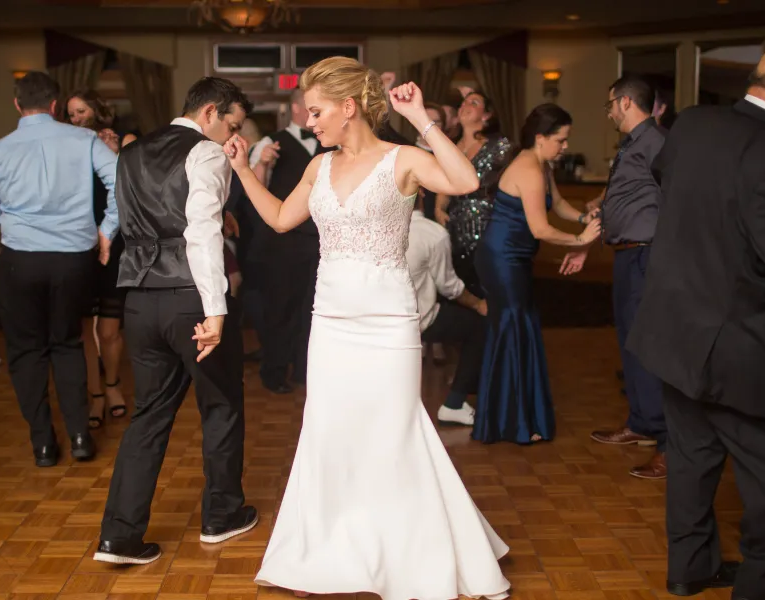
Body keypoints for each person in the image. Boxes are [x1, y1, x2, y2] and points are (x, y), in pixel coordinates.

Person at [224, 56, 510, 600]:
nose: (311, 122)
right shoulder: (318, 167)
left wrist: (421, 116)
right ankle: (338, 545)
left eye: (317, 111)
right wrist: (241, 170)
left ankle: (409, 554)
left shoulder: (403, 159)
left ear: (348, 106)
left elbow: (466, 179)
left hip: (388, 325)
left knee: (394, 432)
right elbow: (283, 219)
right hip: (330, 323)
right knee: (331, 433)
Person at [627, 45, 765, 600]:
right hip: (750, 351)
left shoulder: (694, 123)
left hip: (678, 336)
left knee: (693, 459)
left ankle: (691, 568)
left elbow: (675, 183)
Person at [93, 77, 257, 566]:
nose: (231, 137)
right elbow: (201, 234)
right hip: (192, 298)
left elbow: (131, 222)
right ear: (209, 112)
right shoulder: (205, 154)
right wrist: (216, 309)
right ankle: (221, 516)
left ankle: (118, 537)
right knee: (222, 404)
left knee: (149, 414)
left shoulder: (129, 154)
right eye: (230, 124)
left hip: (140, 301)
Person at [0, 72, 116, 467]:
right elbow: (121, 181)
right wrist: (106, 231)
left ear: (17, 105)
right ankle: (79, 438)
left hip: (21, 259)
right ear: (55, 106)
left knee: (26, 351)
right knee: (67, 343)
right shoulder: (84, 140)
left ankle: (42, 443)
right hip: (73, 259)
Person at [472, 104, 601, 445]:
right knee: (513, 327)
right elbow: (541, 228)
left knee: (519, 326)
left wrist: (583, 220)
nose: (565, 147)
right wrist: (579, 240)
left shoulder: (542, 165)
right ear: (540, 138)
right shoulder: (528, 167)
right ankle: (511, 422)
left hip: (515, 257)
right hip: (501, 257)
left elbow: (557, 205)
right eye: (561, 140)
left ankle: (514, 417)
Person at [579, 75, 668, 479]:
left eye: (611, 104)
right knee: (631, 344)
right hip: (627, 255)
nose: (610, 111)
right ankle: (642, 423)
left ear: (627, 102)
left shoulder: (658, 142)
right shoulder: (634, 143)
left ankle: (666, 441)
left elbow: (676, 195)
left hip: (646, 257)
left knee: (651, 348)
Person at [247, 88, 334, 394]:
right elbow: (254, 191)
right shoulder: (272, 142)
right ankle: (274, 371)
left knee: (314, 309)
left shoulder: (331, 144)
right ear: (296, 109)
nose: (316, 114)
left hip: (323, 241)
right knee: (281, 309)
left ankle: (306, 371)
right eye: (312, 108)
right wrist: (264, 163)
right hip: (283, 243)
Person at [65, 89, 132, 428]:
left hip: (112, 243)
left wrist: (116, 153)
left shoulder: (112, 142)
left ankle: (113, 385)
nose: (76, 118)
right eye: (71, 114)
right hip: (76, 245)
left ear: (96, 110)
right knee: (83, 330)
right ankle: (95, 394)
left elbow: (128, 189)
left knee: (108, 330)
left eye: (81, 111)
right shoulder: (66, 148)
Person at [405, 191, 488, 426]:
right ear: (421, 193)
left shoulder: (371, 228)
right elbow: (450, 287)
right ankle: (454, 403)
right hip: (416, 321)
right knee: (478, 327)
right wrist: (479, 304)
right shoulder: (432, 233)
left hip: (372, 321)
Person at [434, 90, 513, 297]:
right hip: (455, 222)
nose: (464, 106)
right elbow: (444, 182)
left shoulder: (499, 146)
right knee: (460, 281)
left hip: (487, 222)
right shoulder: (449, 146)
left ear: (487, 115)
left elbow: (511, 185)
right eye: (464, 102)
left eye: (474, 103)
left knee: (487, 282)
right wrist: (439, 208)